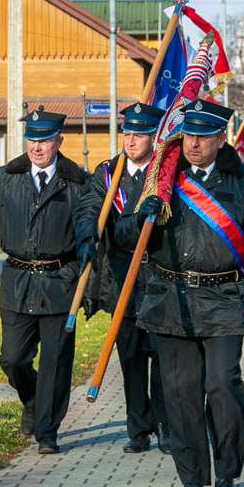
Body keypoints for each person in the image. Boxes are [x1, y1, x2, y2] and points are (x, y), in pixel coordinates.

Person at [115, 99, 244, 487]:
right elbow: (122, 236)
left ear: (220, 138)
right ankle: (192, 478)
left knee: (223, 388)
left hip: (223, 300)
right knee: (180, 394)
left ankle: (228, 478)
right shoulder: (161, 178)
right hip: (169, 300)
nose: (193, 143)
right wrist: (143, 215)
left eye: (203, 135)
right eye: (188, 134)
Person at [0, 107, 90, 455]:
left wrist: (92, 290)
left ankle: (47, 432)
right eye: (31, 139)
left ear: (59, 141)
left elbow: (92, 240)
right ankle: (35, 399)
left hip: (60, 283)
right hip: (17, 282)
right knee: (13, 359)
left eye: (44, 140)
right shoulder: (5, 177)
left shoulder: (78, 183)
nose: (36, 147)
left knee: (55, 363)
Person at [73, 102, 170, 455]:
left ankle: (165, 425)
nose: (131, 141)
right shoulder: (109, 170)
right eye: (127, 134)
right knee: (129, 359)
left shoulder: (165, 171)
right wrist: (87, 238)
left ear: (153, 136)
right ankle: (138, 428)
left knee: (161, 356)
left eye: (139, 134)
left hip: (159, 277)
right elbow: (89, 208)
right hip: (121, 277)